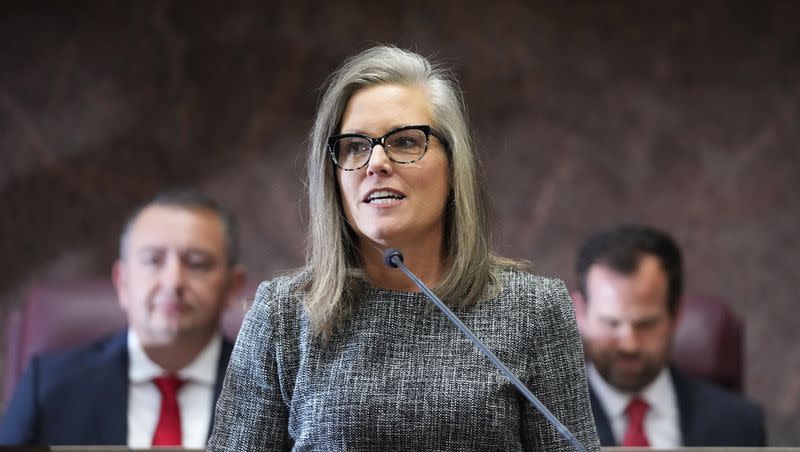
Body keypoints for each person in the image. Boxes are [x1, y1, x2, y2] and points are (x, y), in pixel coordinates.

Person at [207, 45, 600, 451]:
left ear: (454, 165)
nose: (376, 162)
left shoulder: (535, 310)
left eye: (406, 142)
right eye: (355, 146)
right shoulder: (282, 314)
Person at [0, 191, 246, 447]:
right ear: (122, 282)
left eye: (197, 263)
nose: (173, 282)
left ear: (232, 286)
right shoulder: (51, 384)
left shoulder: (269, 388)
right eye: (153, 260)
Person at [573, 223, 766, 447]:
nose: (629, 344)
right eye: (611, 323)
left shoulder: (739, 423)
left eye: (646, 324)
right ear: (579, 312)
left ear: (676, 314)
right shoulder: (538, 425)